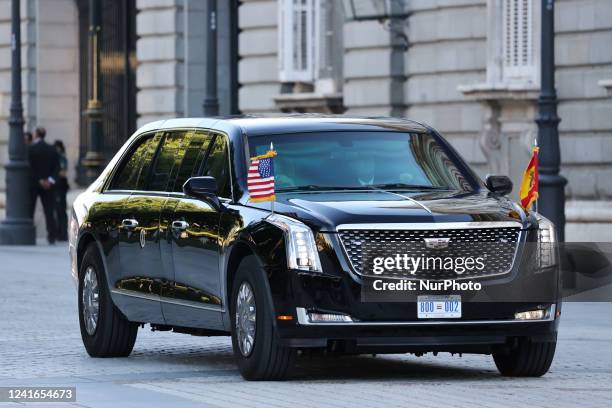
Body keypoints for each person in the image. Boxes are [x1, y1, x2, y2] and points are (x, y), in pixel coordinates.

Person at [28, 127, 60, 244]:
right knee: (49, 211)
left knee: (30, 210)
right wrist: (49, 181)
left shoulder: (30, 149)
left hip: (34, 185)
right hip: (49, 186)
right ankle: (51, 236)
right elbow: (57, 168)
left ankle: (29, 235)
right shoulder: (52, 149)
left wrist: (40, 180)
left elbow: (29, 168)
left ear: (36, 135)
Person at [53, 140, 69, 241]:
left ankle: (62, 233)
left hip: (60, 186)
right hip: (59, 185)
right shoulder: (60, 157)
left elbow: (62, 172)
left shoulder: (61, 157)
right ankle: (60, 233)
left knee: (60, 210)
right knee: (59, 210)